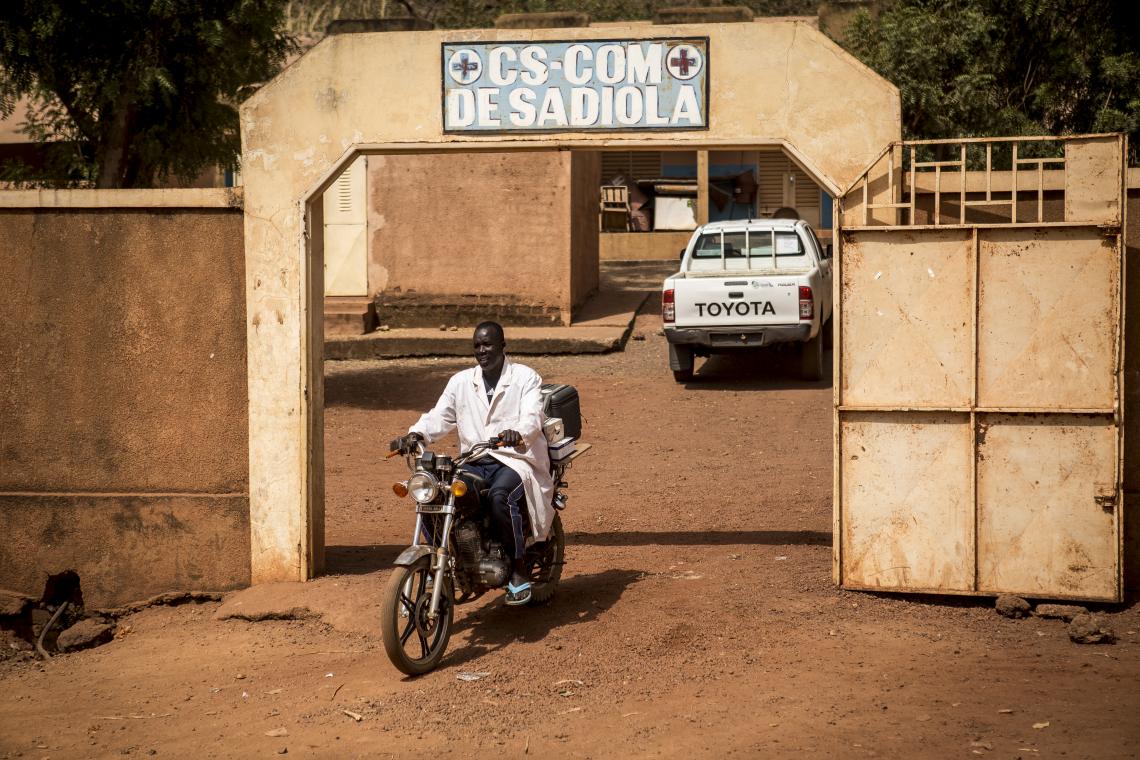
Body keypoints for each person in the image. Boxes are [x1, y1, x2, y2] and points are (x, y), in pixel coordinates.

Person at [391, 321, 553, 606]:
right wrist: (416, 433)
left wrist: (518, 433)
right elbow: (439, 416)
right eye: (477, 345)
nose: (482, 351)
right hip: (474, 461)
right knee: (437, 494)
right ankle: (451, 558)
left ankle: (518, 569)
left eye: (488, 344)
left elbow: (532, 416)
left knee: (501, 497)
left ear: (503, 346)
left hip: (514, 460)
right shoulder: (461, 381)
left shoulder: (525, 378)